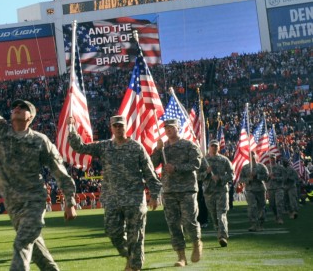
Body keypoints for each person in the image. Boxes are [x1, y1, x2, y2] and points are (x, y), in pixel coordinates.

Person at [0, 59, 77, 271]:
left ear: (30, 117)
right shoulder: (1, 130)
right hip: (14, 203)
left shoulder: (40, 141)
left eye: (23, 108)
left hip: (34, 200)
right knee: (37, 250)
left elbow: (60, 171)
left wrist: (70, 201)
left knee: (22, 244)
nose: (17, 109)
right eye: (15, 107)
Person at [68, 115, 162, 271]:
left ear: (126, 127)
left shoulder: (136, 147)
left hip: (134, 199)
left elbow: (149, 173)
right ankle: (130, 257)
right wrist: (72, 128)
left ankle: (134, 266)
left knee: (135, 236)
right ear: (111, 128)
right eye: (115, 126)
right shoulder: (104, 146)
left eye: (121, 126)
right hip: (112, 199)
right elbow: (80, 147)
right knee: (112, 231)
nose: (118, 128)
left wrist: (154, 195)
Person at [150, 119, 203, 267]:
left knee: (189, 221)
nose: (168, 130)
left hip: (187, 189)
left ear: (177, 128)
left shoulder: (188, 145)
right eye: (166, 128)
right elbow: (152, 164)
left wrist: (177, 168)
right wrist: (157, 150)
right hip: (169, 190)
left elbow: (196, 163)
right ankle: (181, 256)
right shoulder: (163, 148)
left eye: (171, 127)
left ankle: (196, 242)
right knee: (173, 224)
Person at [198, 140, 234, 247]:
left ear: (219, 147)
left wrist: (221, 178)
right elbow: (197, 176)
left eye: (216, 146)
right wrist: (206, 173)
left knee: (221, 214)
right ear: (209, 147)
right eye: (212, 145)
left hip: (221, 191)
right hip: (209, 192)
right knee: (214, 216)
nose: (214, 147)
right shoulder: (203, 161)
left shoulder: (224, 160)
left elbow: (231, 174)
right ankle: (219, 231)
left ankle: (222, 236)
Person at [239, 152, 269, 232]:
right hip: (250, 190)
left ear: (256, 156)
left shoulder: (261, 166)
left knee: (261, 207)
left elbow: (267, 177)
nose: (251, 156)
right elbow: (241, 179)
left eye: (253, 154)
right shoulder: (245, 168)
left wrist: (257, 176)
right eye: (250, 154)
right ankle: (254, 224)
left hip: (260, 189)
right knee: (252, 207)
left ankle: (261, 224)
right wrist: (248, 179)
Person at [265, 154, 285, 224]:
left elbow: (284, 178)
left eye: (273, 158)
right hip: (270, 188)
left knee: (278, 203)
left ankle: (280, 218)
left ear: (275, 159)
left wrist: (276, 178)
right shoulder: (267, 168)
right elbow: (264, 179)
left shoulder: (280, 167)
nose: (272, 160)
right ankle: (276, 215)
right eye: (271, 158)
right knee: (272, 205)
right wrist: (268, 176)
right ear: (269, 159)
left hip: (279, 188)